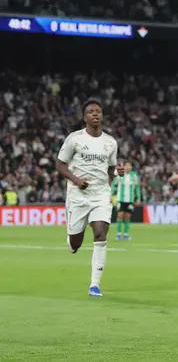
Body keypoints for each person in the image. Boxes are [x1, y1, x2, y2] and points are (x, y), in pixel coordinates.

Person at [56, 99, 123, 297]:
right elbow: (60, 164)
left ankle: (95, 284)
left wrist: (114, 176)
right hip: (78, 196)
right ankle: (72, 240)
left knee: (101, 233)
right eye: (91, 112)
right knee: (76, 244)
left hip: (100, 196)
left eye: (98, 111)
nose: (95, 114)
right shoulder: (75, 139)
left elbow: (111, 168)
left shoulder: (110, 142)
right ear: (84, 117)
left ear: (102, 116)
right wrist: (77, 181)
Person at [111, 161, 141, 240]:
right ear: (124, 167)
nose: (128, 167)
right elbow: (114, 185)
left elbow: (137, 188)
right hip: (120, 199)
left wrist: (138, 198)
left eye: (129, 166)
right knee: (120, 216)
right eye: (126, 165)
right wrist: (110, 195)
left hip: (130, 200)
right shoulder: (120, 175)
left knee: (127, 217)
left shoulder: (134, 176)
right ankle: (118, 234)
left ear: (131, 167)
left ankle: (126, 234)